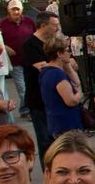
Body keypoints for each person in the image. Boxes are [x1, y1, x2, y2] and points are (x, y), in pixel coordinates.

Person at [11, 10, 59, 158]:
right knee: (45, 140)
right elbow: (44, 68)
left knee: (58, 140)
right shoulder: (30, 45)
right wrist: (62, 63)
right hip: (38, 99)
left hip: (55, 98)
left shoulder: (53, 43)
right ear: (43, 25)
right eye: (54, 25)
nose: (57, 28)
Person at [36, 35, 86, 138]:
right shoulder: (57, 74)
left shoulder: (47, 71)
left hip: (57, 122)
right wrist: (79, 93)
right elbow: (71, 100)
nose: (70, 53)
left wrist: (67, 65)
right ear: (59, 54)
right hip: (66, 124)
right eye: (67, 50)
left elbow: (76, 81)